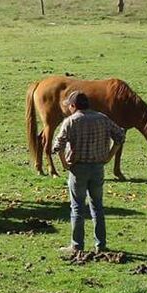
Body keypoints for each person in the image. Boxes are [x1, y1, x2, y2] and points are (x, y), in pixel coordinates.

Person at [52, 91, 125, 254]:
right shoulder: (102, 118)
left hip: (78, 169)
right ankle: (101, 244)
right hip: (98, 168)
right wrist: (109, 156)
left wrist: (65, 164)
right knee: (97, 206)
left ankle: (77, 245)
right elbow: (120, 135)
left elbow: (58, 146)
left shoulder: (70, 121)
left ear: (73, 106)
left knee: (77, 207)